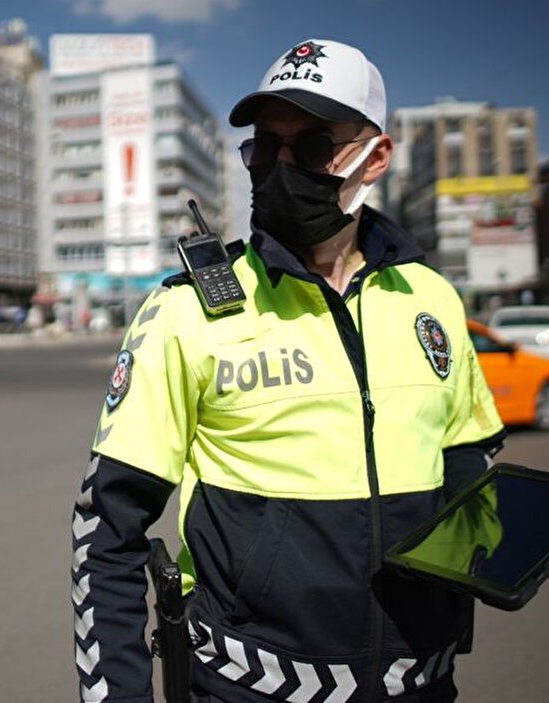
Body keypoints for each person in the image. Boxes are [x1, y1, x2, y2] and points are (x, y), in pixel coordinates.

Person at [70, 39, 505, 703]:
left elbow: (468, 462)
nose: (279, 167)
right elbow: (107, 530)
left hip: (423, 684)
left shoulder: (431, 298)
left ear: (376, 156)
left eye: (310, 146)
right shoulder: (185, 311)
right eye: (264, 146)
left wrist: (502, 543)